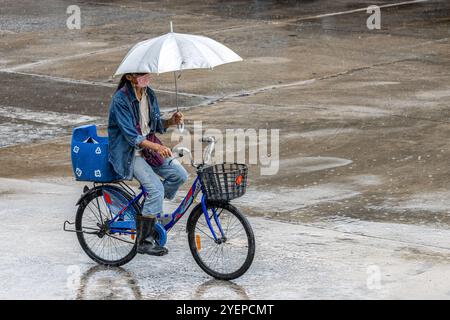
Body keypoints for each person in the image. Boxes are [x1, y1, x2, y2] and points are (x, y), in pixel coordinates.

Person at [107, 72, 188, 256]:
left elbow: (156, 124)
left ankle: (151, 212)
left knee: (179, 175)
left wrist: (171, 121)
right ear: (129, 77)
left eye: (146, 73)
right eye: (139, 74)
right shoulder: (121, 100)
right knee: (156, 189)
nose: (145, 77)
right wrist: (157, 148)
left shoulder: (148, 94)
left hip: (148, 149)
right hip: (129, 153)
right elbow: (131, 137)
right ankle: (144, 241)